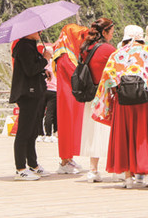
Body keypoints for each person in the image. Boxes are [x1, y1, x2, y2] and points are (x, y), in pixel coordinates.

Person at [93, 25, 148, 189]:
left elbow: (107, 79)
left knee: (125, 136)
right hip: (143, 101)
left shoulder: (117, 54)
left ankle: (128, 178)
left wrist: (117, 91)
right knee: (145, 135)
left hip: (123, 101)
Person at [78, 18, 116, 183]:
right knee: (110, 133)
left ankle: (93, 170)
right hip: (105, 96)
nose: (112, 34)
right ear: (105, 32)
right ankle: (117, 170)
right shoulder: (109, 49)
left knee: (93, 132)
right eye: (111, 31)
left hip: (90, 95)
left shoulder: (85, 48)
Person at [9, 31, 49, 180]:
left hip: (35, 92)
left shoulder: (30, 46)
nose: (40, 32)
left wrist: (44, 70)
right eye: (37, 30)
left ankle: (33, 164)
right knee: (24, 131)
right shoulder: (24, 47)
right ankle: (20, 168)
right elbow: (30, 70)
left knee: (32, 131)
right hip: (27, 94)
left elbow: (33, 68)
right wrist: (45, 59)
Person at [52, 23, 89, 174]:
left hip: (70, 95)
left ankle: (69, 158)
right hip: (67, 96)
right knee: (67, 126)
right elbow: (74, 73)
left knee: (71, 126)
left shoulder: (67, 52)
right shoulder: (65, 54)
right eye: (79, 36)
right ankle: (64, 160)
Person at [41, 45, 57, 142]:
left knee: (40, 112)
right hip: (54, 90)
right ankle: (49, 134)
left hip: (42, 89)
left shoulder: (41, 63)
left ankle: (40, 134)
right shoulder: (55, 63)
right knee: (50, 113)